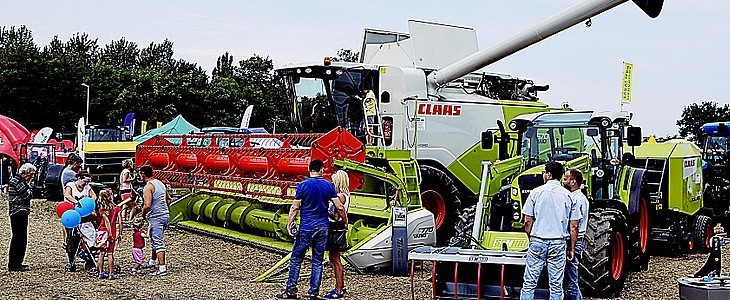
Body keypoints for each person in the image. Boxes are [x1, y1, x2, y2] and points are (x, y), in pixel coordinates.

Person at [276, 159, 340, 300]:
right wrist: (344, 221)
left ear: (309, 169)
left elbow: (295, 207)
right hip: (322, 227)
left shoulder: (303, 185)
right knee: (317, 261)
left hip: (306, 227)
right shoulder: (329, 186)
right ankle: (313, 293)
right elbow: (339, 206)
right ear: (321, 169)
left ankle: (291, 291)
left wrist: (289, 223)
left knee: (296, 259)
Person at [520, 161, 580, 300]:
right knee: (556, 285)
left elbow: (527, 221)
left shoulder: (535, 193)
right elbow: (574, 226)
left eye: (544, 172)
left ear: (548, 174)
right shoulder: (569, 196)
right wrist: (571, 248)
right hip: (558, 243)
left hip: (537, 241)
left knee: (529, 283)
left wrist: (532, 238)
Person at [139, 165, 172, 276]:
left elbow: (147, 205)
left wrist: (142, 215)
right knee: (154, 238)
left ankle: (162, 268)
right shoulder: (160, 183)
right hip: (165, 215)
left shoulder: (148, 187)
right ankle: (152, 262)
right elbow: (169, 199)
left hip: (156, 217)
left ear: (143, 174)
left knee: (158, 241)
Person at [63, 170, 97, 272]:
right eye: (85, 181)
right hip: (72, 214)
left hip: (84, 216)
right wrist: (77, 202)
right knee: (72, 237)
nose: (86, 184)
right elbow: (67, 195)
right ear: (79, 179)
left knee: (88, 235)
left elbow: (94, 196)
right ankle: (71, 258)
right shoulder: (70, 185)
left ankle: (89, 257)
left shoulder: (87, 187)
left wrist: (90, 202)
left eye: (88, 182)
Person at [324, 170, 350, 299]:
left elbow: (335, 215)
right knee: (334, 259)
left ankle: (339, 289)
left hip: (334, 228)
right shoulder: (346, 195)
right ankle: (340, 286)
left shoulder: (339, 196)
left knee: (335, 260)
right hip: (338, 228)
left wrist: (324, 208)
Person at [563, 169, 588, 300]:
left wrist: (571, 247)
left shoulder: (576, 199)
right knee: (571, 277)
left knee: (570, 279)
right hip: (576, 239)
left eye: (566, 179)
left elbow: (574, 225)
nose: (563, 181)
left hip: (574, 240)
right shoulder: (578, 197)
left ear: (573, 181)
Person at [7, 163, 37, 272]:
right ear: (26, 173)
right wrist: (30, 187)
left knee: (21, 238)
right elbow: (27, 196)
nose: (32, 177)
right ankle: (14, 264)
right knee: (18, 238)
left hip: (21, 212)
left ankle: (18, 262)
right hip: (18, 212)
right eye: (31, 174)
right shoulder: (17, 181)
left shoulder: (20, 181)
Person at [96, 190, 122, 279]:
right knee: (110, 254)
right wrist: (118, 233)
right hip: (112, 232)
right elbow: (120, 222)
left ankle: (101, 272)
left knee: (102, 253)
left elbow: (106, 221)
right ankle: (111, 273)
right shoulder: (117, 208)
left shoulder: (101, 209)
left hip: (102, 233)